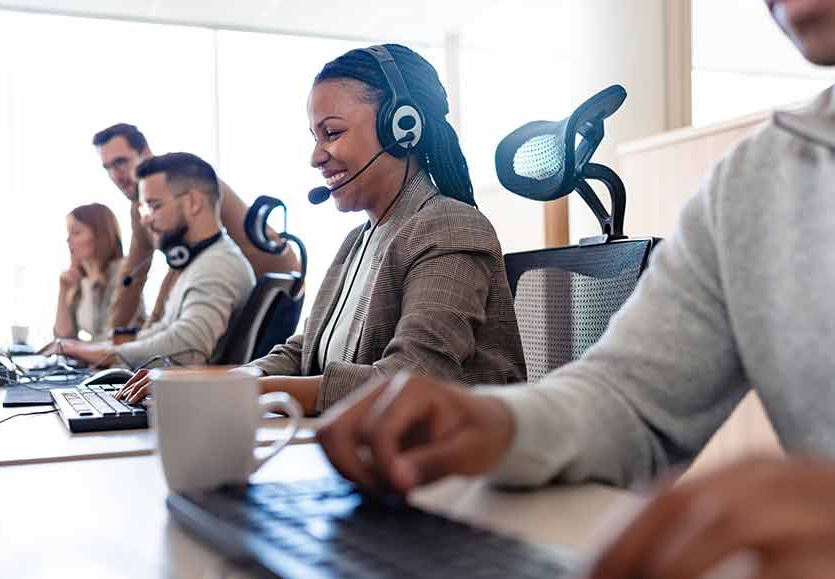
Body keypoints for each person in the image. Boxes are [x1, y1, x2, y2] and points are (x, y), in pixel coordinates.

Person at [315, 0, 835, 576]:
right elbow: (629, 401)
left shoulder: (444, 224)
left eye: (330, 133)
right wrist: (502, 423)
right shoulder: (755, 183)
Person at [115, 44, 525, 413]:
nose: (316, 156)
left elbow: (412, 378)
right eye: (315, 136)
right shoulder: (358, 241)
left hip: (452, 476)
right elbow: (302, 350)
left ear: (402, 129)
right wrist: (212, 381)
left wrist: (242, 392)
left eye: (332, 132)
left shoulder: (449, 227)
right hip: (363, 454)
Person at [91, 124, 301, 338]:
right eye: (108, 168)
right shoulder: (141, 207)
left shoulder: (184, 184)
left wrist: (134, 341)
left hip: (273, 277)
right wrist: (112, 336)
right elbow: (134, 272)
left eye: (121, 162)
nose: (116, 175)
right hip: (232, 286)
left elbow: (184, 264)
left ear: (144, 152)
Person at [52, 152, 255, 368]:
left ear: (193, 202)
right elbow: (165, 329)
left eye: (155, 206)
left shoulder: (218, 265)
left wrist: (107, 355)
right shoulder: (200, 261)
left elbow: (188, 348)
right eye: (144, 208)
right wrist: (98, 350)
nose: (146, 219)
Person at [53, 203, 143, 341]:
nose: (68, 240)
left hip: (124, 360)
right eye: (68, 233)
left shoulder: (122, 272)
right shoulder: (80, 280)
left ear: (100, 234)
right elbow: (63, 337)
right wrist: (63, 290)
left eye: (76, 232)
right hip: (96, 360)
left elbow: (113, 337)